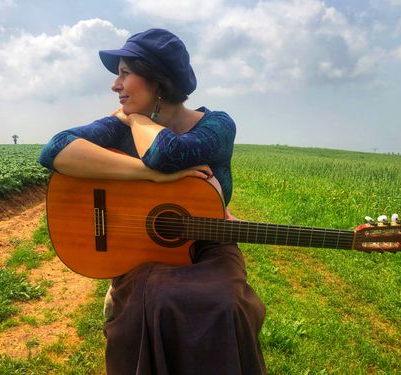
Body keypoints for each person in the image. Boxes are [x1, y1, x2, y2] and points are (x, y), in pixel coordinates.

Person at [39, 28, 267, 375]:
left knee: (225, 304)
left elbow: (167, 154)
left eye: (125, 73)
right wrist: (147, 175)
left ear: (158, 81)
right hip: (145, 251)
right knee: (154, 300)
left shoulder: (216, 126)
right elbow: (54, 150)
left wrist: (141, 120)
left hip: (208, 248)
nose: (115, 86)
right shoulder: (121, 125)